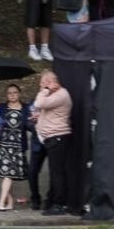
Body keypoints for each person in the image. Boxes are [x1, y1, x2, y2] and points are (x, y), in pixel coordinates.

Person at [34, 72, 76, 216]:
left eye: (43, 82)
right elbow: (48, 110)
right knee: (55, 172)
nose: (40, 86)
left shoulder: (61, 95)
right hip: (52, 138)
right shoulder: (54, 96)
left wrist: (45, 90)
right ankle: (52, 200)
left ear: (51, 82)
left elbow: (39, 103)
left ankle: (59, 204)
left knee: (57, 173)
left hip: (58, 137)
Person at [0, 84, 31, 211]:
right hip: (3, 143)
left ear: (19, 93)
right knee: (6, 174)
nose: (12, 95)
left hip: (18, 145)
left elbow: (30, 124)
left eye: (15, 92)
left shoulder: (26, 108)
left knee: (8, 175)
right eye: (10, 93)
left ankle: (8, 202)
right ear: (7, 95)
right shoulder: (2, 107)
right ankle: (3, 202)